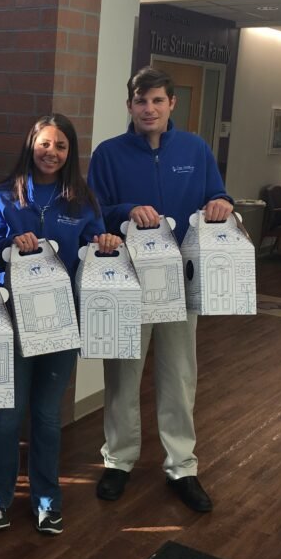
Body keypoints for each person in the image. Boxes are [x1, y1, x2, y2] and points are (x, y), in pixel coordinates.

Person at [87, 66, 233, 513]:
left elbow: (218, 195)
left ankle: (182, 466)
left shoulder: (195, 148)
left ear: (171, 104)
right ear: (129, 105)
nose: (148, 109)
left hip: (179, 282)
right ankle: (119, 459)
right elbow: (96, 213)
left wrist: (222, 202)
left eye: (157, 101)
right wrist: (128, 210)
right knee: (122, 375)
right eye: (140, 101)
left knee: (178, 373)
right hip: (127, 282)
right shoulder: (108, 154)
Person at [0, 114, 121, 535]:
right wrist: (8, 246)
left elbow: (96, 249)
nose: (51, 153)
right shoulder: (6, 196)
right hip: (15, 321)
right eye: (45, 144)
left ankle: (46, 499)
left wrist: (107, 243)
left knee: (46, 415)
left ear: (70, 153)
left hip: (62, 324)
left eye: (60, 146)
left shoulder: (82, 201)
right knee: (8, 415)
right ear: (31, 144)